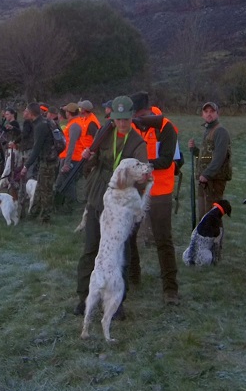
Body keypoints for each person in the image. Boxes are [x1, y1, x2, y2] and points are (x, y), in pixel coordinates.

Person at [74, 95, 148, 318]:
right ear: (113, 119)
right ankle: (84, 297)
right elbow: (93, 165)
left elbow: (142, 173)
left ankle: (116, 303)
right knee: (91, 250)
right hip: (98, 197)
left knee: (119, 254)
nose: (122, 123)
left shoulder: (138, 143)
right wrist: (89, 157)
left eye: (126, 119)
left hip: (120, 207)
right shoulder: (104, 134)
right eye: (118, 119)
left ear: (132, 117)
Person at [127, 92, 180, 305]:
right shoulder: (132, 128)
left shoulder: (166, 126)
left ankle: (170, 289)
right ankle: (133, 276)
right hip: (137, 191)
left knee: (163, 240)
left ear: (142, 112)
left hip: (160, 190)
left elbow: (167, 160)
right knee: (129, 237)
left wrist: (142, 165)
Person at [188, 102, 232, 220]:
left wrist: (206, 174)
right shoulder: (208, 130)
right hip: (205, 181)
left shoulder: (220, 131)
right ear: (202, 114)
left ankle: (215, 238)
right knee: (203, 215)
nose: (209, 114)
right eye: (206, 111)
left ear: (217, 114)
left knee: (212, 217)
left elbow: (219, 157)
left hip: (214, 181)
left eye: (212, 111)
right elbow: (207, 156)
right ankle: (204, 238)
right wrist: (195, 150)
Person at [19, 102, 56, 222]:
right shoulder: (46, 121)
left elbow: (36, 148)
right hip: (48, 159)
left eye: (25, 111)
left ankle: (46, 218)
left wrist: (26, 166)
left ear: (30, 113)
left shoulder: (40, 126)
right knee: (40, 188)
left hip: (47, 161)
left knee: (46, 191)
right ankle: (34, 213)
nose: (23, 112)